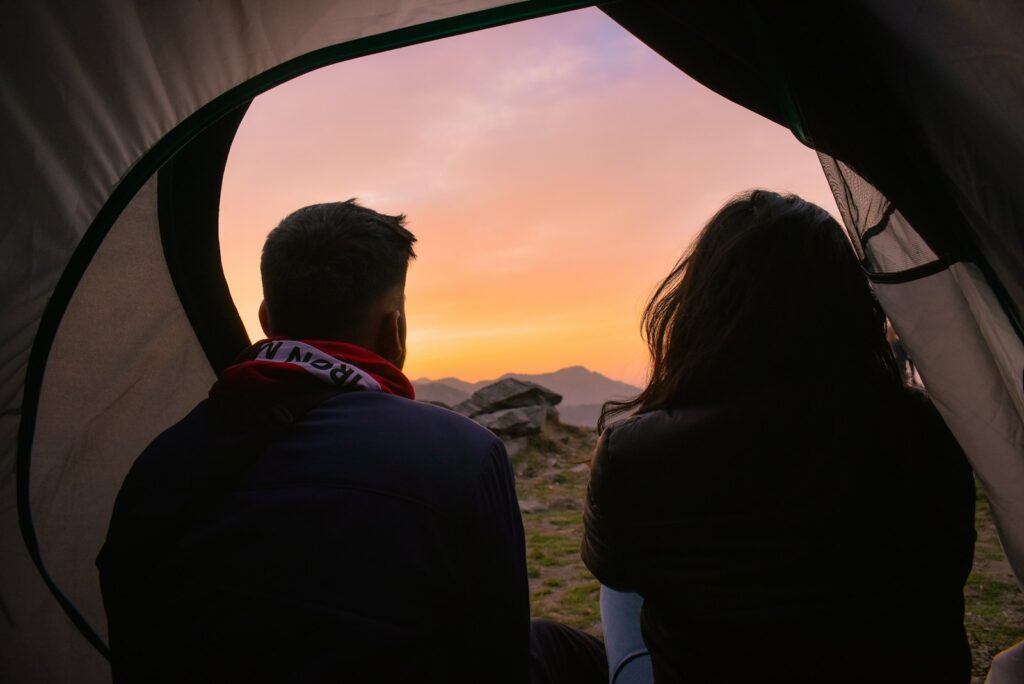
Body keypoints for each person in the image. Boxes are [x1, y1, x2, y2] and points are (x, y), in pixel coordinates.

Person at [98, 200, 604, 683]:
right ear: (395, 330)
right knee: (565, 650)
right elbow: (499, 662)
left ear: (267, 321)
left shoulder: (160, 460)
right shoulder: (462, 456)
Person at [581, 190, 976, 683]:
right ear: (852, 305)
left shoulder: (637, 454)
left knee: (567, 630)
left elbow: (614, 566)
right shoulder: (926, 432)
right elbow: (949, 565)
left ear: (703, 309)